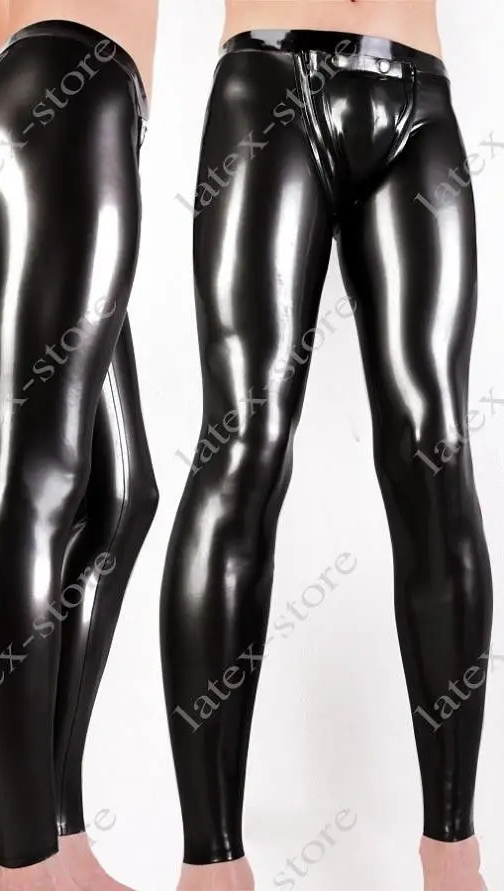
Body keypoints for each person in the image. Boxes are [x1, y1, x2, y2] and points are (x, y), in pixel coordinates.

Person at [160, 2, 492, 889]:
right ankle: (211, 862)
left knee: (435, 445)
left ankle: (454, 853)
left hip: (420, 100)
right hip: (268, 88)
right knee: (244, 440)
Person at [0, 2, 159, 889]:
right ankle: (19, 868)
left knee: (121, 495)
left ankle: (60, 841)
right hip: (72, 98)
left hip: (44, 104)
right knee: (34, 479)